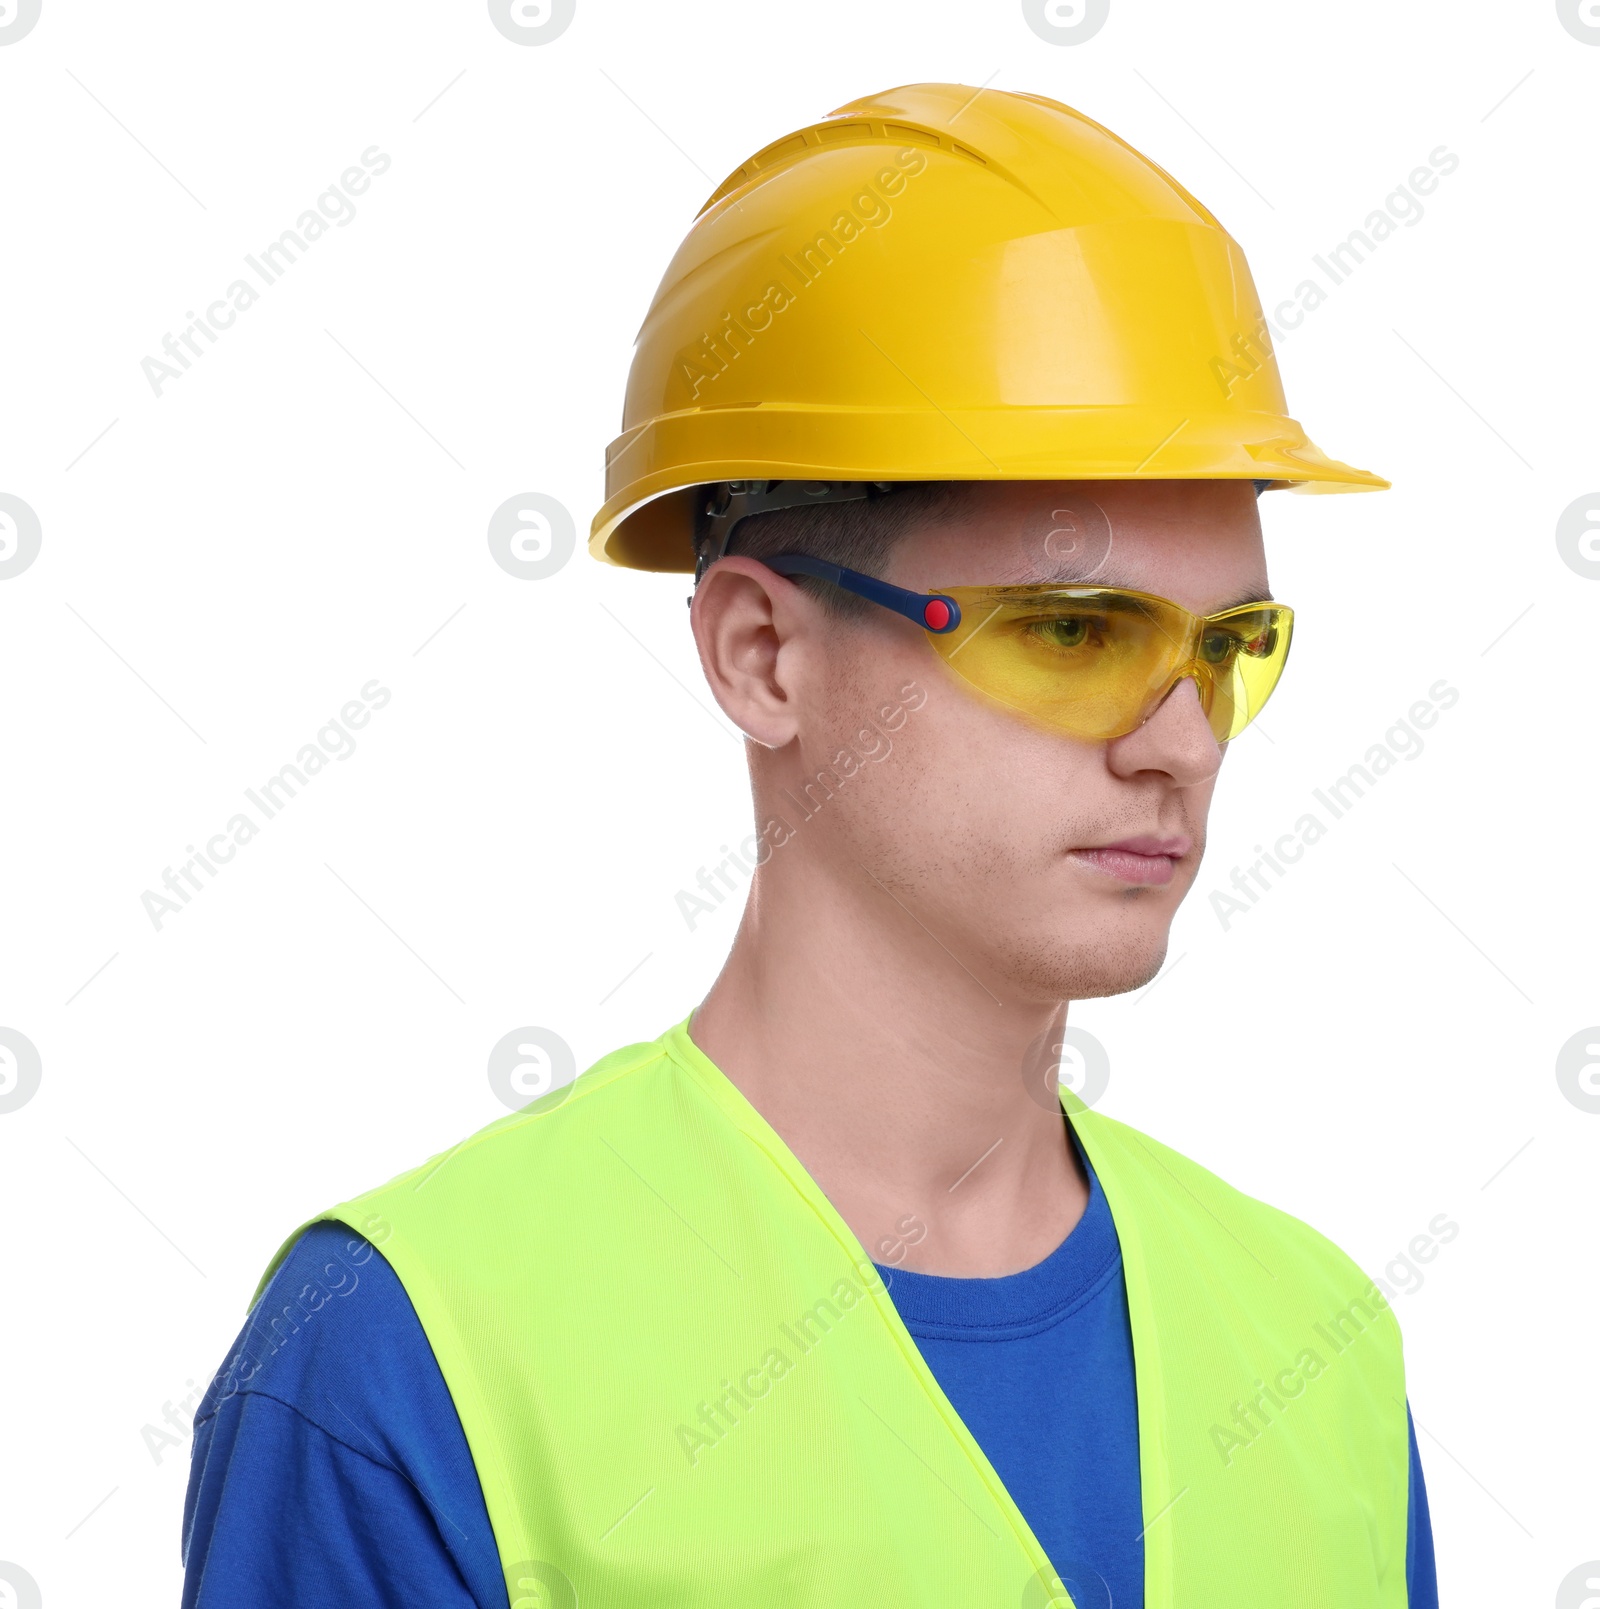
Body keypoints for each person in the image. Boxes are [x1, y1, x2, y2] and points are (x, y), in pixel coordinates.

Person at [182, 84, 1437, 1608]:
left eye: (1228, 644)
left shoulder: (1320, 1351)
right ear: (763, 654)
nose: (1179, 738)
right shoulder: (411, 1357)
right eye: (1071, 630)